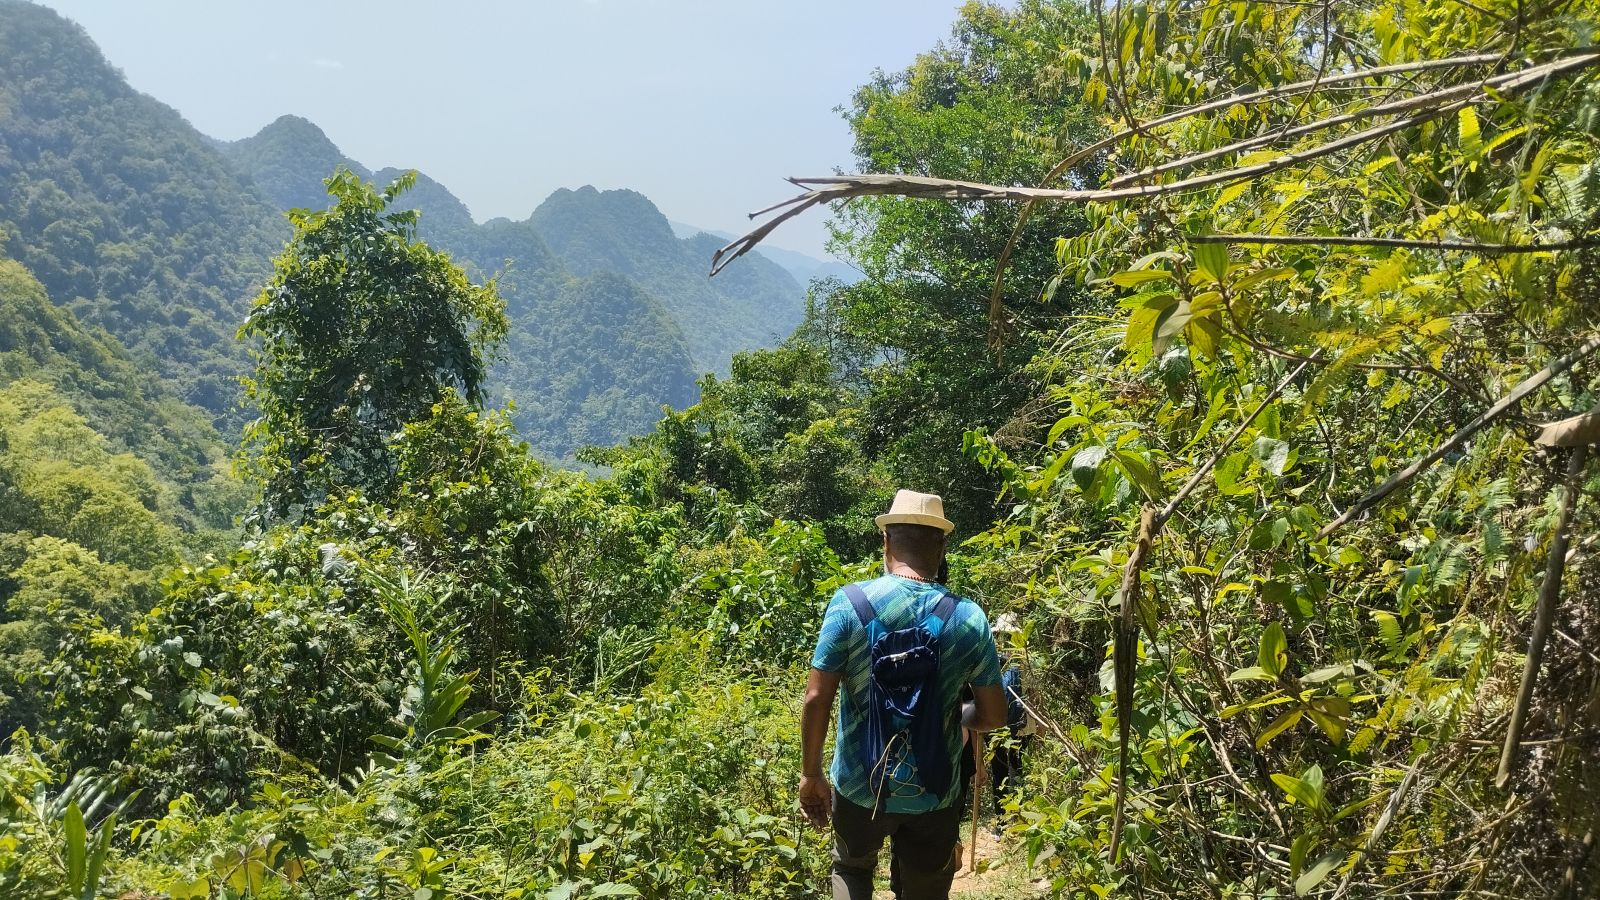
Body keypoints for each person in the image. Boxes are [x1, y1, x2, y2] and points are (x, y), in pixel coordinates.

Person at [799, 489, 1007, 900]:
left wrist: (810, 774)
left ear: (886, 541)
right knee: (925, 889)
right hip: (934, 794)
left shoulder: (849, 604)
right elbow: (994, 716)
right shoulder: (969, 618)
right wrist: (961, 717)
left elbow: (816, 699)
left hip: (859, 788)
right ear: (942, 545)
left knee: (850, 868)